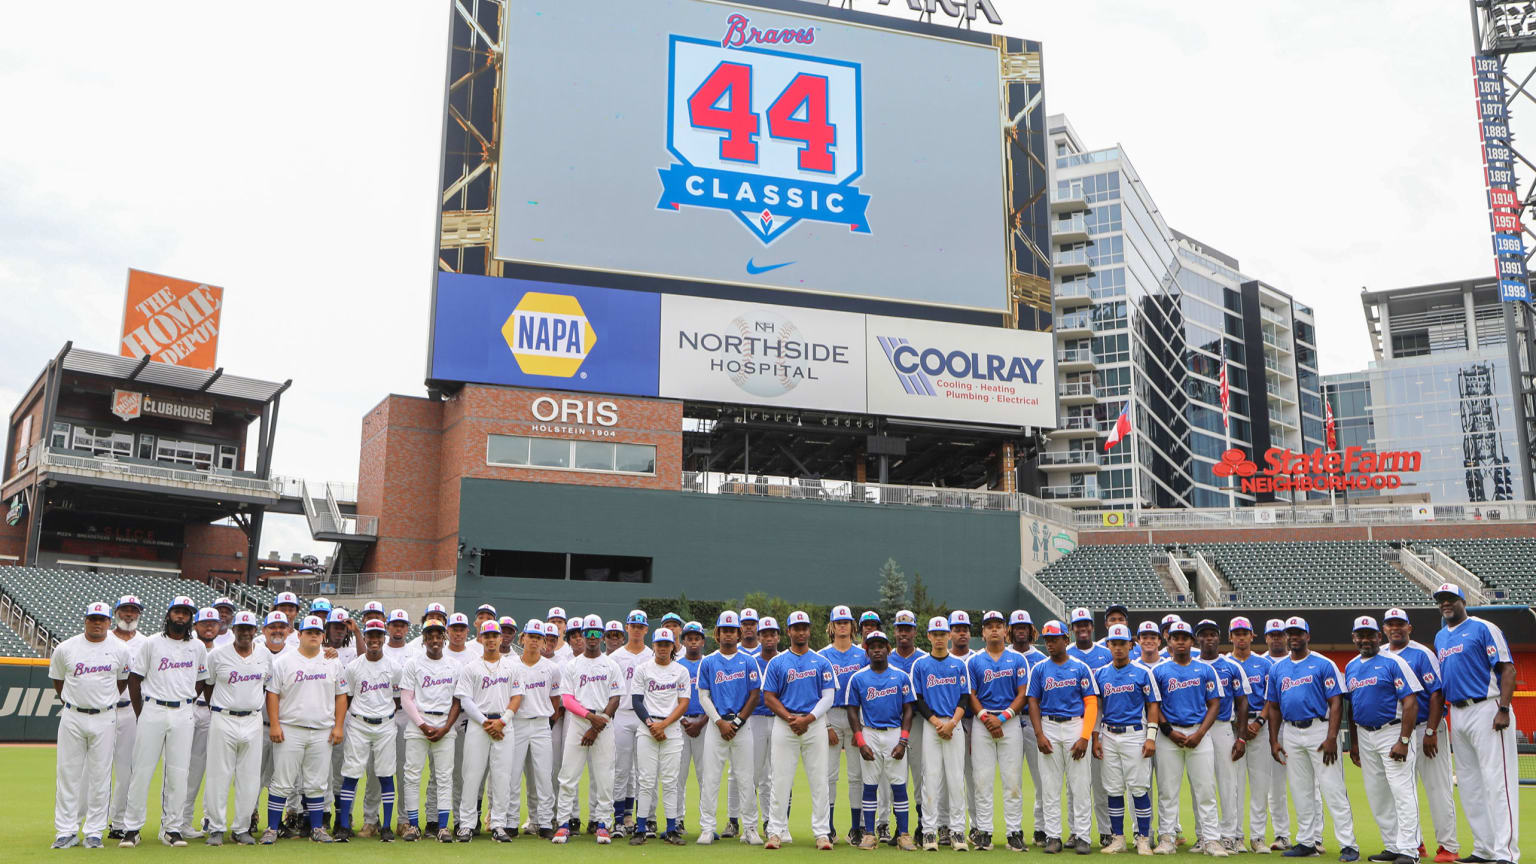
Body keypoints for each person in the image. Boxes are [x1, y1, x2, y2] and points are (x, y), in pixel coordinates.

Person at [1430, 584, 1519, 864]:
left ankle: (1506, 854)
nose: (1446, 604)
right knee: (1470, 785)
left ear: (1462, 601)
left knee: (1498, 782)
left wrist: (1503, 708)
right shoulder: (1440, 636)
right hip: (1457, 712)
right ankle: (1484, 849)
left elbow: (1507, 668)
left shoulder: (1483, 627)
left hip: (1487, 706)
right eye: (1441, 600)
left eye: (1451, 599)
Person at [1265, 616, 1357, 862]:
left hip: (1320, 729)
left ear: (1308, 636)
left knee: (1333, 788)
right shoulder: (1278, 668)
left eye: (1298, 633)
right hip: (1292, 731)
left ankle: (1349, 845)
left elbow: (1336, 702)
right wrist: (1274, 740)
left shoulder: (1323, 663)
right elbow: (1273, 707)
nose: (1294, 637)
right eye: (1290, 633)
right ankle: (1306, 842)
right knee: (1300, 790)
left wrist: (1332, 737)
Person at [120, 595, 207, 848]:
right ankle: (132, 828)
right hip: (153, 709)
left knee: (179, 773)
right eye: (177, 612)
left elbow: (202, 680)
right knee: (142, 771)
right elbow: (134, 679)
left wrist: (187, 701)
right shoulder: (151, 643)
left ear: (191, 618)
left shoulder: (198, 647)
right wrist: (141, 712)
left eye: (186, 613)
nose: (181, 617)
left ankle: (171, 829)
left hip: (183, 712)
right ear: (168, 615)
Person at [50, 601, 131, 850]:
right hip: (73, 715)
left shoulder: (120, 649)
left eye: (102, 619)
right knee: (68, 774)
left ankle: (94, 831)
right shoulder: (66, 648)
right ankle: (66, 831)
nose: (97, 623)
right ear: (85, 620)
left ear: (110, 621)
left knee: (100, 776)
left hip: (105, 716)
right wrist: (77, 702)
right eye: (93, 618)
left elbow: (122, 682)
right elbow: (58, 682)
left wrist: (101, 703)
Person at [1380, 608, 1458, 863]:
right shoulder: (1380, 654)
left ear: (1409, 628)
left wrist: (1432, 730)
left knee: (1438, 788)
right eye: (1390, 624)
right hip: (1397, 731)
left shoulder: (1422, 653)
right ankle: (1414, 843)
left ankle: (1448, 846)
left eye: (1400, 624)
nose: (1395, 628)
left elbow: (1437, 693)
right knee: (1401, 792)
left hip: (1425, 728)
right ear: (1384, 629)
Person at [262, 614, 347, 844]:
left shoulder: (333, 661)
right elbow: (272, 694)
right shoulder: (285, 662)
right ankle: (271, 828)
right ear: (299, 635)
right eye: (308, 632)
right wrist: (276, 724)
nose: (313, 636)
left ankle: (317, 828)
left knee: (317, 782)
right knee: (282, 780)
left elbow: (341, 696)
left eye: (317, 633)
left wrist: (338, 726)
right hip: (291, 728)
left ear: (323, 636)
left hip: (322, 729)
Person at [1343, 616, 1422, 864]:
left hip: (1393, 731)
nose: (1365, 639)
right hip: (1365, 735)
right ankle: (1392, 845)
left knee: (1402, 791)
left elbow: (1411, 702)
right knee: (1377, 794)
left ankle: (1409, 849)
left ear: (1379, 637)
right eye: (1360, 635)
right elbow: (1352, 707)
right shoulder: (1352, 666)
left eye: (1370, 635)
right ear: (1354, 638)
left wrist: (1404, 740)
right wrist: (1354, 743)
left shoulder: (1393, 662)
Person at [761, 609, 839, 850]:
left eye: (804, 627)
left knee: (819, 780)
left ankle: (822, 833)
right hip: (785, 726)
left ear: (809, 630)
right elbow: (768, 696)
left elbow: (828, 696)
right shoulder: (778, 661)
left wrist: (808, 719)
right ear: (789, 631)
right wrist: (789, 718)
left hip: (813, 724)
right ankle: (775, 832)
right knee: (780, 780)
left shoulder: (821, 661)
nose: (801, 631)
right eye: (796, 628)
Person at [1149, 620, 1226, 858]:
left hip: (1198, 733)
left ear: (1192, 641)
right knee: (1167, 791)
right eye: (1176, 637)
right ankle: (1167, 839)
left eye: (1185, 637)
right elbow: (1154, 705)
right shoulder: (1159, 670)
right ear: (1169, 642)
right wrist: (1169, 731)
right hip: (1169, 736)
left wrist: (1200, 733)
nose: (1180, 641)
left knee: (1205, 789)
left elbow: (1214, 703)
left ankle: (1211, 839)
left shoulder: (1204, 669)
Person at [1028, 619, 1099, 855]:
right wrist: (1038, 734)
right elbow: (1033, 703)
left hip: (1075, 726)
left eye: (1054, 639)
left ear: (1065, 640)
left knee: (1079, 785)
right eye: (1046, 640)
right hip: (1048, 725)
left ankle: (1082, 836)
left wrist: (1085, 736)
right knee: (1050, 786)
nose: (1049, 644)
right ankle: (1053, 836)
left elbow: (1091, 703)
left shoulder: (1080, 667)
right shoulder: (1039, 669)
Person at [844, 630, 918, 851]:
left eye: (881, 645)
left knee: (898, 785)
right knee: (870, 784)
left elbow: (908, 710)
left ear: (888, 649)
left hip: (894, 732)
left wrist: (903, 741)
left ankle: (904, 834)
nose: (877, 649)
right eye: (872, 646)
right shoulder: (858, 678)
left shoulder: (901, 676)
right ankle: (868, 834)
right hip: (870, 732)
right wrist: (861, 740)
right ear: (867, 651)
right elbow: (852, 711)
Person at [554, 615, 623, 844]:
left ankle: (603, 824)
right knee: (568, 775)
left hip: (603, 723)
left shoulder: (611, 665)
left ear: (602, 636)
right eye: (588, 633)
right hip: (580, 721)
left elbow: (616, 697)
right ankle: (563, 823)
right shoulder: (573, 665)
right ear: (582, 636)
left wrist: (599, 721)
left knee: (604, 776)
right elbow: (567, 699)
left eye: (596, 634)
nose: (592, 638)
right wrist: (589, 717)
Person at [202, 610, 270, 846]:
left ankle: (241, 828)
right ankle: (216, 827)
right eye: (240, 629)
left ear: (255, 631)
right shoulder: (218, 655)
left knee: (250, 777)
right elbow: (208, 685)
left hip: (252, 718)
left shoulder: (264, 655)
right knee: (219, 775)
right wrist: (220, 707)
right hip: (223, 717)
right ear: (233, 631)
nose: (244, 633)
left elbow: (265, 685)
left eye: (249, 629)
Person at [1092, 623, 1160, 855]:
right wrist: (1096, 737)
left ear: (1131, 645)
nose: (1119, 648)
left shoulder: (1143, 672)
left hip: (1135, 734)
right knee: (1113, 789)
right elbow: (1097, 709)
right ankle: (1118, 838)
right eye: (1115, 643)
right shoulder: (1101, 674)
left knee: (1139, 788)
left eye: (1123, 643)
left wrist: (1151, 737)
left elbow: (1153, 705)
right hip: (1109, 733)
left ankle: (1142, 838)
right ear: (1108, 645)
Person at [696, 611, 762, 845]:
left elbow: (755, 695)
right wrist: (719, 722)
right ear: (717, 633)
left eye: (732, 631)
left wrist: (737, 722)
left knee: (746, 778)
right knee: (711, 778)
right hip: (717, 725)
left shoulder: (748, 660)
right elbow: (703, 695)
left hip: (741, 726)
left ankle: (751, 828)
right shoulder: (709, 661)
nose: (728, 635)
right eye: (724, 630)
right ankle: (707, 827)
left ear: (738, 633)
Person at [966, 610, 1029, 852]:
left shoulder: (1017, 659)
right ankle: (984, 831)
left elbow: (1022, 694)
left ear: (1006, 630)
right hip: (982, 723)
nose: (994, 629)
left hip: (1009, 721)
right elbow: (970, 695)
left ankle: (1014, 831)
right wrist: (985, 717)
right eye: (989, 626)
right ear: (982, 633)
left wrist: (1002, 718)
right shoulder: (974, 661)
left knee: (1012, 779)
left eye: (998, 625)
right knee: (982, 780)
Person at [334, 620, 401, 843]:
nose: (374, 640)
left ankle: (386, 826)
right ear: (365, 636)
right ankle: (344, 826)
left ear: (384, 637)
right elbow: (348, 697)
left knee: (385, 774)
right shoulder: (354, 667)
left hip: (385, 724)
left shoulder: (394, 666)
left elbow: (398, 698)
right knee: (351, 773)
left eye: (378, 636)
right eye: (370, 636)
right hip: (359, 724)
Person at [398, 618, 461, 842]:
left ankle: (442, 827)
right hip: (418, 726)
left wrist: (445, 728)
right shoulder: (413, 663)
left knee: (444, 777)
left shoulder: (454, 665)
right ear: (424, 638)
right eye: (430, 635)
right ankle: (413, 826)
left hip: (445, 726)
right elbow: (406, 698)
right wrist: (423, 725)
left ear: (444, 638)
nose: (434, 639)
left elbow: (457, 701)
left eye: (438, 635)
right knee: (412, 776)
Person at [628, 626, 692, 845]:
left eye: (667, 644)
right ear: (653, 646)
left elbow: (684, 702)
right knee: (645, 780)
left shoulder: (680, 670)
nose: (663, 648)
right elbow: (636, 701)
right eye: (659, 644)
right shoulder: (643, 669)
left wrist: (663, 725)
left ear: (673, 646)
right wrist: (651, 724)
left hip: (671, 728)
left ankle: (672, 829)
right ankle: (641, 828)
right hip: (647, 728)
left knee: (671, 781)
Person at [912, 616, 970, 851]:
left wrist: (952, 723)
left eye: (942, 634)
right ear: (928, 636)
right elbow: (919, 699)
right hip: (932, 725)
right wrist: (937, 722)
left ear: (949, 636)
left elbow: (964, 697)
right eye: (934, 634)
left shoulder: (958, 664)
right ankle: (929, 832)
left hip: (953, 725)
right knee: (931, 778)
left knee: (956, 778)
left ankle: (957, 832)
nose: (938, 638)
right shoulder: (921, 665)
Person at [454, 619, 516, 842]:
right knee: (471, 775)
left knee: (502, 776)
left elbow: (517, 696)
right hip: (479, 725)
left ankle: (499, 824)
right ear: (480, 639)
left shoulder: (511, 666)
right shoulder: (471, 667)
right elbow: (465, 700)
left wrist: (503, 720)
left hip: (504, 725)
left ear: (501, 638)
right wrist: (485, 723)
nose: (491, 640)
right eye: (486, 636)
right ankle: (467, 824)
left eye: (494, 636)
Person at [1194, 618, 1252, 853]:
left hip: (1222, 727)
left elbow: (1243, 702)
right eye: (1203, 634)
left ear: (1219, 637)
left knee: (1228, 784)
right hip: (1197, 728)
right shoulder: (1191, 664)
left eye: (1212, 634)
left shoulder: (1231, 665)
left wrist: (1241, 737)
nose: (1208, 638)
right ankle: (1204, 835)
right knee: (1200, 784)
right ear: (1197, 638)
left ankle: (1229, 835)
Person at [1225, 616, 1280, 854]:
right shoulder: (1224, 663)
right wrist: (1240, 727)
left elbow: (1271, 698)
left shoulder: (1265, 664)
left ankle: (1257, 837)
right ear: (1230, 637)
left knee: (1260, 785)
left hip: (1259, 723)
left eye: (1244, 632)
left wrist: (1258, 722)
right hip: (1232, 726)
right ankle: (1236, 836)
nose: (1240, 637)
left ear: (1252, 636)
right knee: (1234, 785)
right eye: (1236, 633)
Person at [506, 620, 562, 840]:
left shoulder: (552, 668)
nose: (534, 641)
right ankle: (510, 822)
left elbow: (555, 700)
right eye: (530, 637)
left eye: (538, 638)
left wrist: (548, 721)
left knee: (543, 775)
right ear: (523, 638)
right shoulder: (510, 665)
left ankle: (545, 822)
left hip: (541, 724)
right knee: (512, 774)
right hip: (517, 723)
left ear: (545, 642)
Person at [819, 604, 869, 846]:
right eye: (838, 622)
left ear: (852, 626)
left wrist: (859, 725)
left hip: (855, 718)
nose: (842, 625)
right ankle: (827, 827)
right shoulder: (822, 655)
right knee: (828, 775)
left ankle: (856, 827)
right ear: (831, 626)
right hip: (830, 717)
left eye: (846, 622)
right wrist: (826, 725)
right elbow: (818, 694)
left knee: (856, 775)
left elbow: (868, 689)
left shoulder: (862, 654)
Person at [1067, 607, 1114, 848]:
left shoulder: (1105, 654)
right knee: (1074, 785)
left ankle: (1106, 831)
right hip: (1076, 722)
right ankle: (1075, 831)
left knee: (1100, 781)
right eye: (1078, 624)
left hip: (1102, 720)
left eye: (1086, 624)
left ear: (1092, 627)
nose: (1083, 628)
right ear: (1072, 628)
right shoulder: (1065, 653)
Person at [176, 607, 220, 840]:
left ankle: (209, 820)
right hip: (188, 708)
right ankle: (178, 821)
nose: (209, 627)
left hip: (213, 712)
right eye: (205, 623)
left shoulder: (222, 652)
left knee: (209, 770)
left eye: (214, 623)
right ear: (196, 626)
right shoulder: (187, 649)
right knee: (182, 769)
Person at [106, 595, 147, 840]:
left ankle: (118, 823)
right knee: (96, 770)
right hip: (104, 708)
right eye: (125, 610)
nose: (129, 614)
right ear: (116, 612)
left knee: (126, 770)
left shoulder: (146, 642)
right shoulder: (104, 638)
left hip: (131, 710)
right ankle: (94, 822)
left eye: (134, 610)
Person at [886, 609, 928, 845]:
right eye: (900, 629)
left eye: (908, 629)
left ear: (914, 631)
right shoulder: (886, 657)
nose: (904, 633)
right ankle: (900, 828)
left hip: (919, 723)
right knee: (896, 778)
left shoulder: (923, 658)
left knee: (920, 775)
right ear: (895, 631)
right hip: (893, 724)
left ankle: (922, 826)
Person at [609, 610, 652, 835]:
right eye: (633, 626)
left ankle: (637, 817)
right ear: (627, 628)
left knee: (642, 769)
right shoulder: (615, 657)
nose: (636, 629)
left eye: (640, 626)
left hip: (644, 715)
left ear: (646, 629)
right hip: (623, 714)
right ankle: (618, 818)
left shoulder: (652, 655)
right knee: (621, 768)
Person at [1007, 609, 1048, 845]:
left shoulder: (1041, 658)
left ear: (1031, 630)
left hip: (1035, 722)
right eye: (1017, 626)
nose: (1021, 630)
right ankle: (1014, 830)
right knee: (1012, 780)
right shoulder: (1003, 655)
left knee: (1041, 778)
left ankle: (1041, 828)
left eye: (1025, 626)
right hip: (1010, 721)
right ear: (1010, 630)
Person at [746, 616, 783, 839]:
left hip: (778, 719)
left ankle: (772, 822)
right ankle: (749, 824)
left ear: (778, 636)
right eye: (765, 634)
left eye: (772, 633)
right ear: (758, 637)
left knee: (775, 774)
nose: (769, 637)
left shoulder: (784, 659)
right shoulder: (750, 660)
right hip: (756, 718)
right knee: (753, 773)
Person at [942, 609, 976, 846]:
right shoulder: (940, 657)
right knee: (945, 776)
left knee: (972, 776)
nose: (961, 633)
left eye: (965, 629)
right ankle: (944, 825)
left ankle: (974, 827)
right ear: (949, 633)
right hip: (947, 722)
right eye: (957, 629)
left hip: (973, 721)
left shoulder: (976, 657)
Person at [1261, 618, 1293, 852]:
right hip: (1271, 728)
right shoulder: (1261, 662)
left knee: (1309, 785)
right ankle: (1282, 835)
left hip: (1295, 725)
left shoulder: (1300, 659)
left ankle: (1315, 836)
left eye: (1280, 634)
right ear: (1266, 638)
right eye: (1272, 635)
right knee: (1275, 786)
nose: (1276, 638)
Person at [674, 621, 709, 839]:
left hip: (704, 724)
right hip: (680, 724)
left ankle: (707, 822)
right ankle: (677, 820)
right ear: (683, 641)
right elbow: (669, 697)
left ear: (703, 641)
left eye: (697, 638)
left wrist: (701, 721)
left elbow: (715, 697)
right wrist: (682, 721)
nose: (693, 641)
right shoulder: (676, 665)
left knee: (706, 776)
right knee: (678, 775)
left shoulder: (709, 663)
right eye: (689, 638)